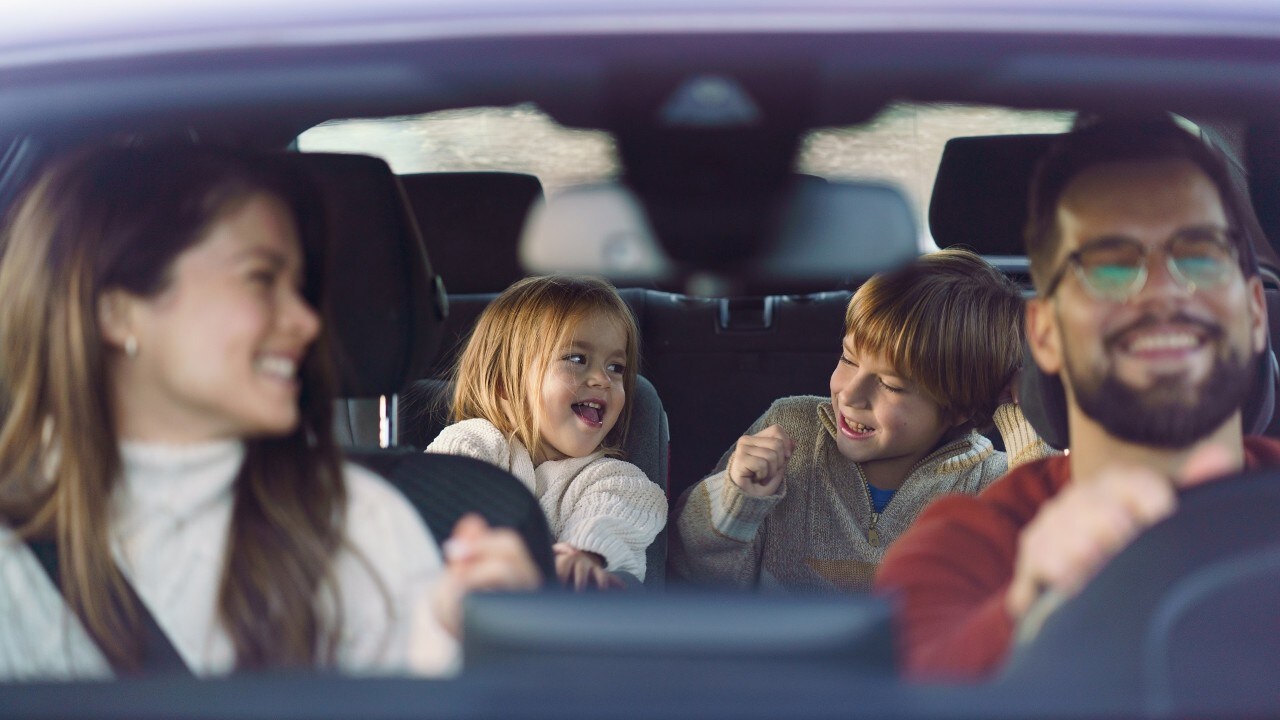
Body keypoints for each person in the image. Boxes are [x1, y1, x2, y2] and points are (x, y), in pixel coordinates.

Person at [0, 145, 538, 680]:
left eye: (301, 288)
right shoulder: (15, 557)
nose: (308, 322)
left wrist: (462, 652)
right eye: (261, 279)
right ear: (117, 313)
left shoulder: (354, 527)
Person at [874, 117, 1280, 681]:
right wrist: (1026, 612)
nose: (1162, 289)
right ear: (1044, 333)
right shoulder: (961, 547)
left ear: (1256, 311)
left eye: (1199, 255)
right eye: (1109, 264)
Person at [668, 248, 1054, 592]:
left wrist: (1023, 410)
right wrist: (735, 501)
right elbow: (695, 580)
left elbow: (1055, 576)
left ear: (959, 407)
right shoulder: (790, 429)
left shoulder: (992, 486)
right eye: (848, 359)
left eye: (891, 385)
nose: (850, 394)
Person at [427, 275, 667, 590]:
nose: (602, 379)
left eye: (616, 367)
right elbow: (444, 497)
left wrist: (583, 555)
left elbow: (609, 519)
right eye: (577, 359)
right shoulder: (475, 441)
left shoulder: (615, 478)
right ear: (504, 385)